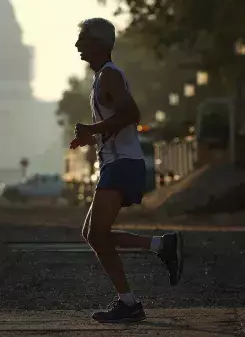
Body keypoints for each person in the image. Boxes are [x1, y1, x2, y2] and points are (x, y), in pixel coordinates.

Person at [70, 18, 184, 323]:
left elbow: (131, 114)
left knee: (96, 233)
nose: (77, 45)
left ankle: (130, 303)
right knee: (92, 234)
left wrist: (93, 127)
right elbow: (116, 121)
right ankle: (160, 246)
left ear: (100, 43)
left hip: (123, 164)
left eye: (83, 39)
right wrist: (90, 137)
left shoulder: (109, 76)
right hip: (116, 163)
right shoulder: (101, 78)